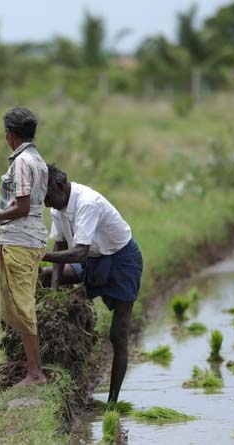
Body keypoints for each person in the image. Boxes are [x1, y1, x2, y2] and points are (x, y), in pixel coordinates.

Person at [40, 164, 143, 404]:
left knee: (118, 335)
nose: (46, 204)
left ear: (61, 187)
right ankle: (56, 343)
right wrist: (55, 291)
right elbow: (60, 244)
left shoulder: (87, 202)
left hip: (121, 260)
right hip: (93, 258)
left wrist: (40, 255)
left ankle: (112, 403)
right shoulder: (59, 206)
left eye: (48, 198)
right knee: (44, 277)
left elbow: (79, 253)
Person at [0, 107, 49, 386]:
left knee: (23, 307)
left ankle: (35, 373)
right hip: (31, 239)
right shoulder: (38, 159)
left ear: (9, 134)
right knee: (20, 304)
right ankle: (29, 366)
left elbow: (22, 207)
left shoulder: (22, 163)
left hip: (21, 241)